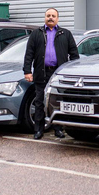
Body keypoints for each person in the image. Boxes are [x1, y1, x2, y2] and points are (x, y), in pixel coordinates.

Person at [23, 8, 79, 139]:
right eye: (48, 15)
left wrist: (71, 72)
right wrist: (27, 71)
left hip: (58, 75)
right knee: (39, 102)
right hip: (41, 73)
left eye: (53, 16)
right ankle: (38, 129)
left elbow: (74, 55)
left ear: (57, 19)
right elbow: (29, 54)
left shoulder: (66, 34)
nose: (50, 18)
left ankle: (58, 129)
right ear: (44, 17)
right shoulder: (36, 34)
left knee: (58, 102)